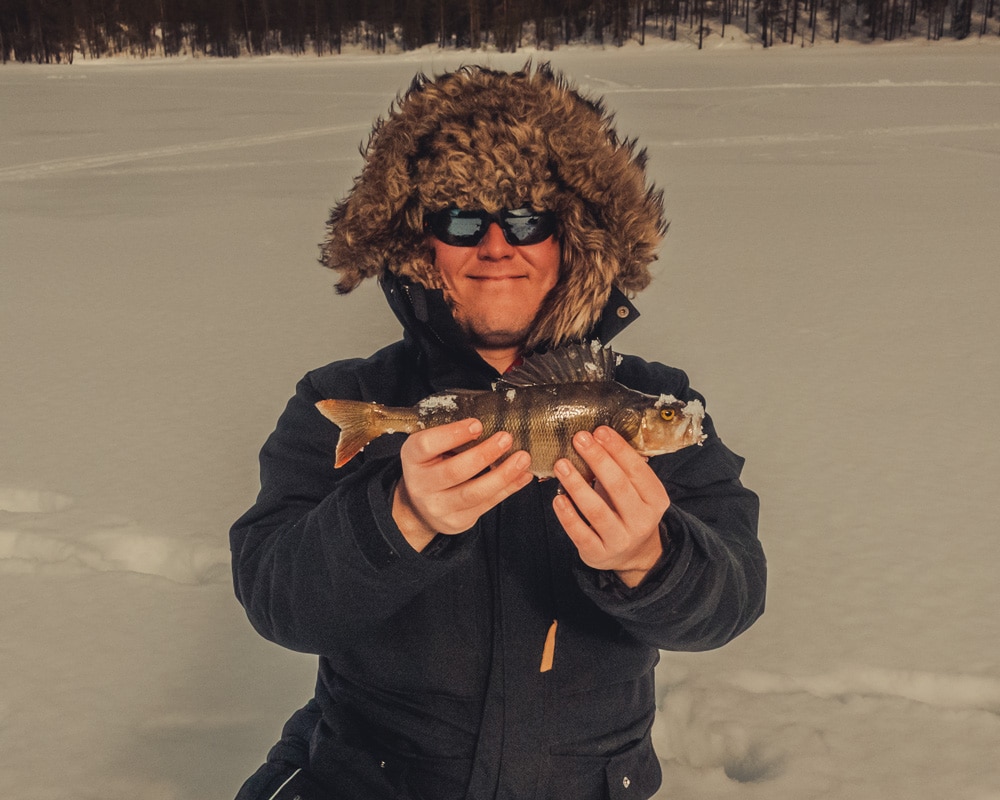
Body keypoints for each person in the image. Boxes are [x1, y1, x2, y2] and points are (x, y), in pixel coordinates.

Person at [230, 63, 766, 800]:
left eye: (525, 219)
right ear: (421, 244)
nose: (494, 246)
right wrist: (399, 518)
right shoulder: (345, 397)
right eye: (458, 218)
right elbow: (277, 601)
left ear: (570, 238)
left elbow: (734, 598)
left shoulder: (657, 401)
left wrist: (652, 557)